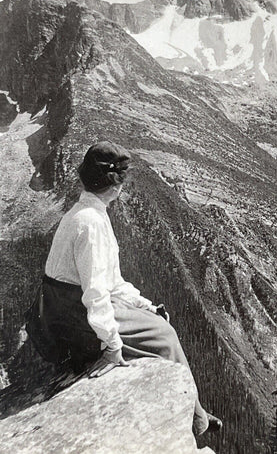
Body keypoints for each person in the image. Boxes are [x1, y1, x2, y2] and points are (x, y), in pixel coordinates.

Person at [33, 141, 221, 436]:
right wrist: (111, 346)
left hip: (61, 309)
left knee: (155, 320)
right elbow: (96, 293)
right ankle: (195, 420)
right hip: (73, 316)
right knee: (164, 335)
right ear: (116, 185)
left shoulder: (85, 214)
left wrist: (143, 305)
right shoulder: (92, 224)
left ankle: (193, 409)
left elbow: (110, 283)